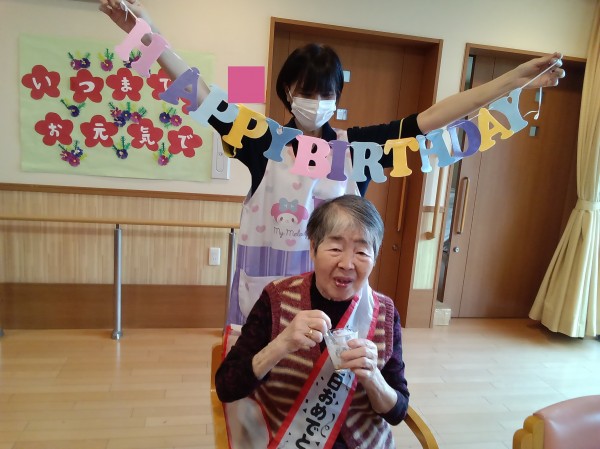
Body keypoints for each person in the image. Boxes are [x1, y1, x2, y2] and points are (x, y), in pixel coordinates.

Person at [99, 0, 566, 326]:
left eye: (326, 93)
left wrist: (513, 81)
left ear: (337, 96)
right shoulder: (261, 141)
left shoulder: (358, 148)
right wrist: (145, 31)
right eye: (307, 90)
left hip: (339, 294)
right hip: (269, 295)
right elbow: (199, 92)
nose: (316, 101)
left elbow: (435, 117)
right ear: (287, 92)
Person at [216, 194, 407, 448]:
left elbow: (397, 412)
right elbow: (227, 386)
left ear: (374, 257)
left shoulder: (384, 312)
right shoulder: (278, 299)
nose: (347, 264)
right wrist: (281, 344)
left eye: (362, 252)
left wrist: (373, 378)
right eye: (336, 249)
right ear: (313, 248)